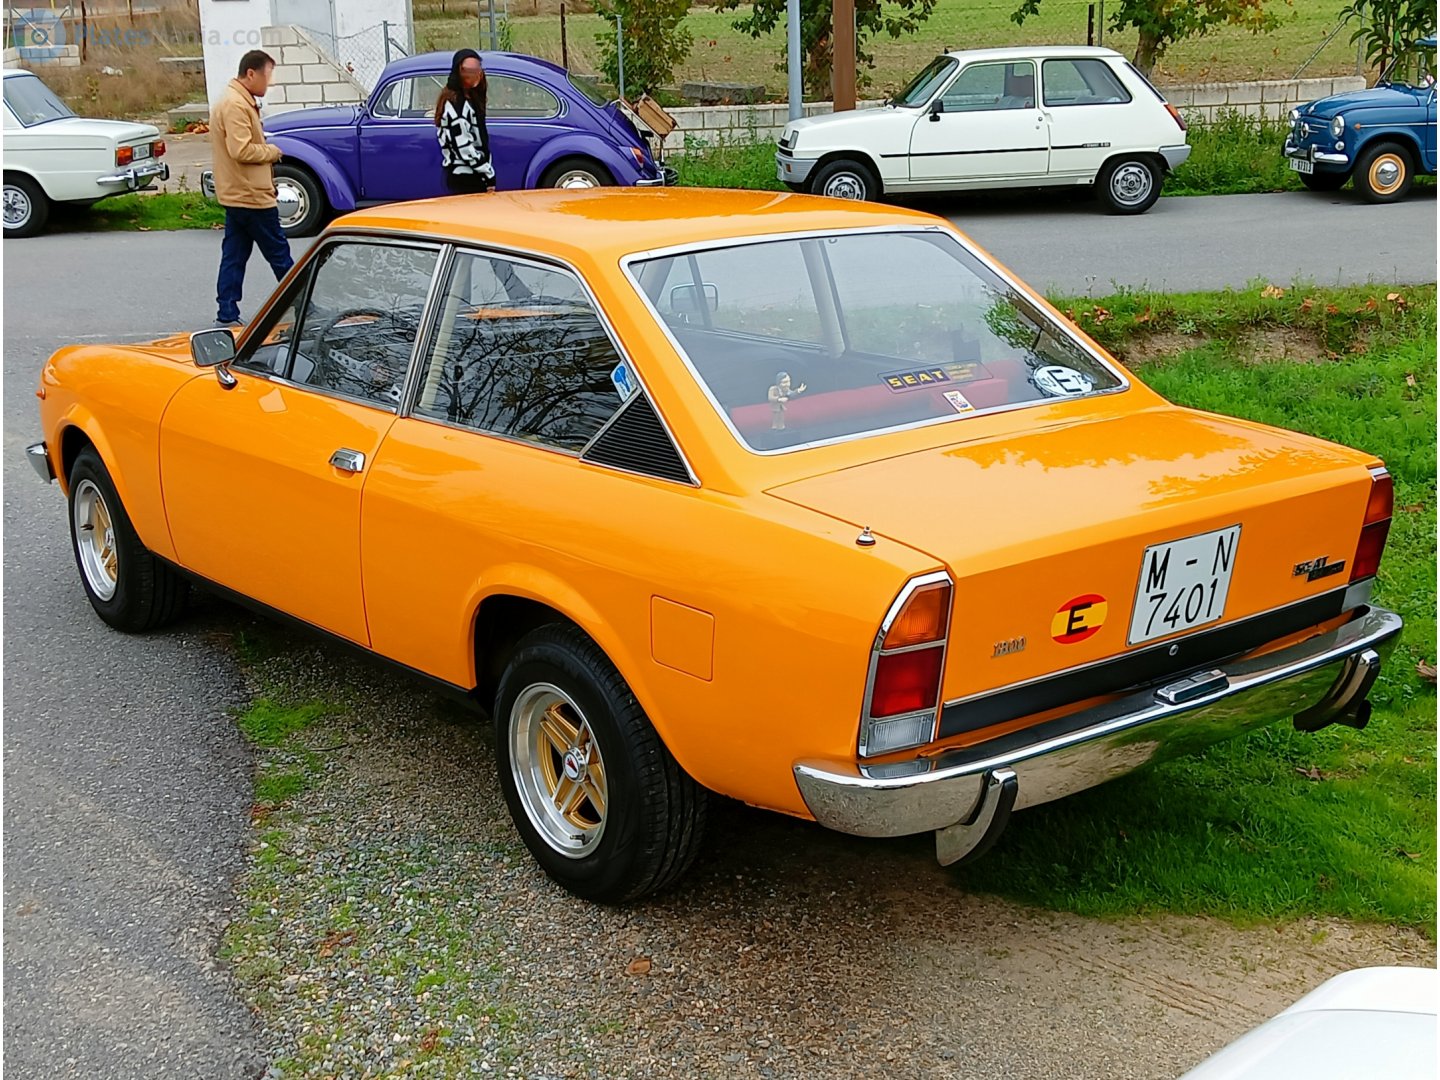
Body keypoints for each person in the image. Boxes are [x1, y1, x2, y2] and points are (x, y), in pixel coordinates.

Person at [210, 49, 292, 327]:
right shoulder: (236, 104)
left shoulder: (237, 100)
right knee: (279, 254)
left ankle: (227, 312)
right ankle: (304, 303)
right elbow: (240, 149)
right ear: (251, 74)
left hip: (238, 192)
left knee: (235, 254)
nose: (269, 83)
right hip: (251, 195)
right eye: (268, 76)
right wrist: (271, 151)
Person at [434, 49, 495, 194]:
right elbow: (464, 147)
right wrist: (488, 174)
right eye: (468, 70)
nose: (475, 75)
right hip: (464, 177)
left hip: (471, 174)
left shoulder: (470, 99)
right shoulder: (456, 105)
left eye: (477, 70)